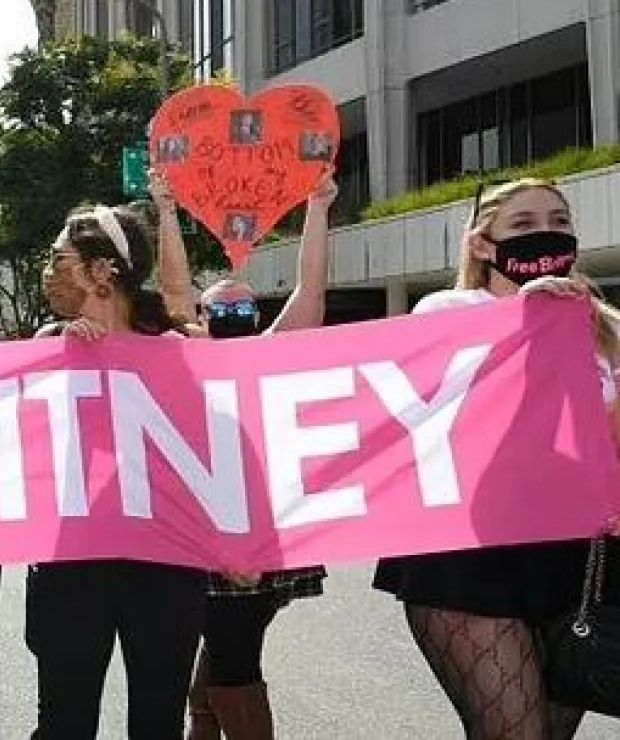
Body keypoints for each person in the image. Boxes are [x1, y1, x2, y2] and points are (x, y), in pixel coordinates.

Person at [372, 178, 620, 740]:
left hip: (577, 559)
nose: (547, 233)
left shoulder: (603, 326)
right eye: (524, 225)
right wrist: (523, 321)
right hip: (470, 554)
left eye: (559, 221)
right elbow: (440, 412)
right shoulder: (450, 308)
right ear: (484, 245)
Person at [153, 170, 337, 740]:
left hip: (260, 531)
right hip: (203, 530)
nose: (235, 320)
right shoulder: (191, 356)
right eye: (222, 312)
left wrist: (318, 207)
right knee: (223, 651)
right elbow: (176, 292)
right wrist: (165, 209)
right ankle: (204, 728)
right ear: (203, 321)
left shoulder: (272, 355)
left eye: (245, 311)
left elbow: (310, 294)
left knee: (234, 655)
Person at [27, 203, 208, 740]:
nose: (48, 271)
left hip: (166, 565)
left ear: (102, 270)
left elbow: (207, 451)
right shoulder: (47, 347)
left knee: (157, 723)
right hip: (71, 563)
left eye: (60, 259)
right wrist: (67, 358)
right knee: (64, 723)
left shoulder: (175, 352)